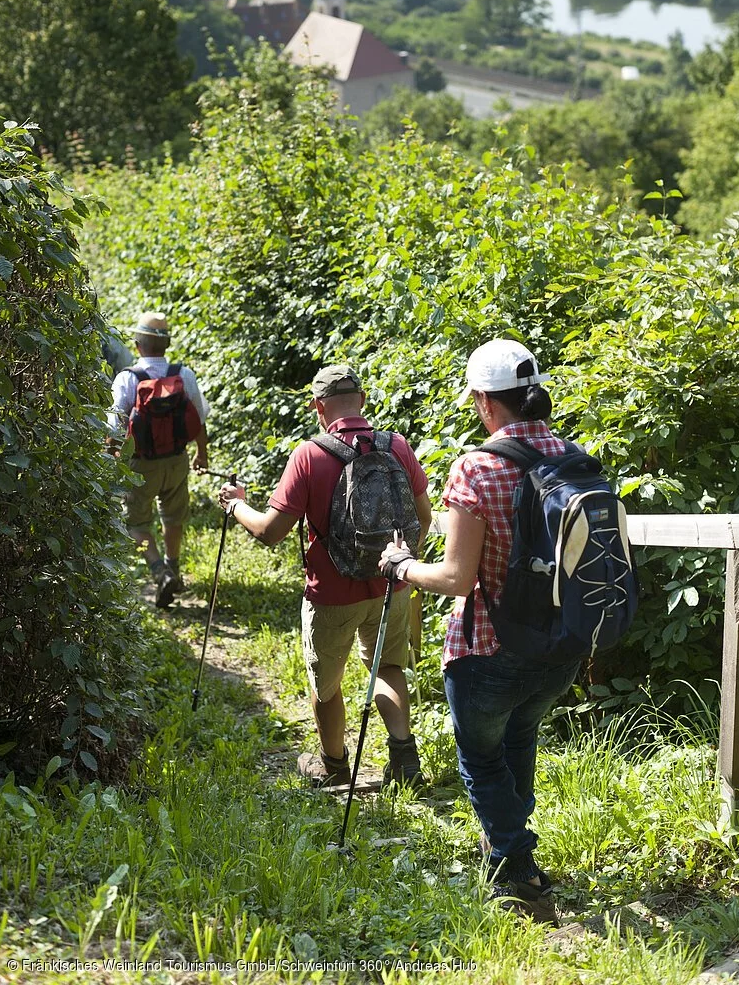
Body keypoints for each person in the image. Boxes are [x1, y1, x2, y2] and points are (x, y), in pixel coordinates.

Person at [379, 338, 581, 922]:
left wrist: (401, 566)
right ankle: (508, 845)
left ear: (484, 402)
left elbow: (458, 577)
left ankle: (518, 871)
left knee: (481, 756)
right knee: (518, 739)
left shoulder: (478, 466)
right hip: (560, 646)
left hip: (489, 648)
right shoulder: (570, 456)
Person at [219, 363, 433, 789]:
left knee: (327, 686)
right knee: (388, 667)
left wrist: (235, 505)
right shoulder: (398, 447)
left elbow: (270, 532)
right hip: (392, 584)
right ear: (364, 401)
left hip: (331, 593)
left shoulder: (310, 454)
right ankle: (405, 759)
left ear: (319, 407)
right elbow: (423, 518)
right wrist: (399, 563)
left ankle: (334, 765)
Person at [110, 311, 209, 608]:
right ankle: (174, 567)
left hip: (140, 464)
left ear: (138, 344)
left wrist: (112, 456)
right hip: (177, 461)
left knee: (137, 523)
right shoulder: (183, 374)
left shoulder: (128, 378)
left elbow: (114, 425)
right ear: (166, 345)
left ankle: (159, 572)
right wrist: (201, 453)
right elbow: (200, 419)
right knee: (173, 516)